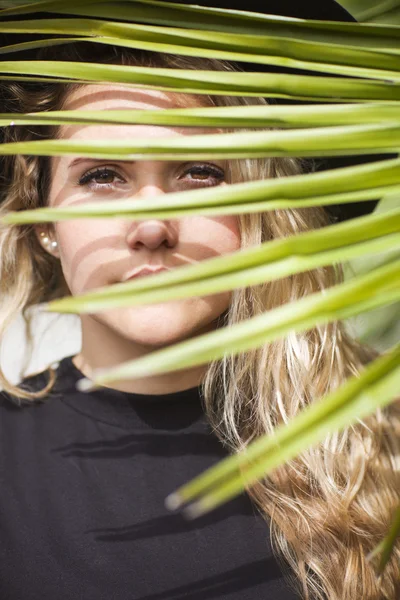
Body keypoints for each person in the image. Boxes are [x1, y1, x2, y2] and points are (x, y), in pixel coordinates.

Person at [0, 1, 399, 599]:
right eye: (103, 176)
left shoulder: (380, 441)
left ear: (263, 208)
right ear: (44, 224)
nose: (154, 227)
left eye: (201, 173)